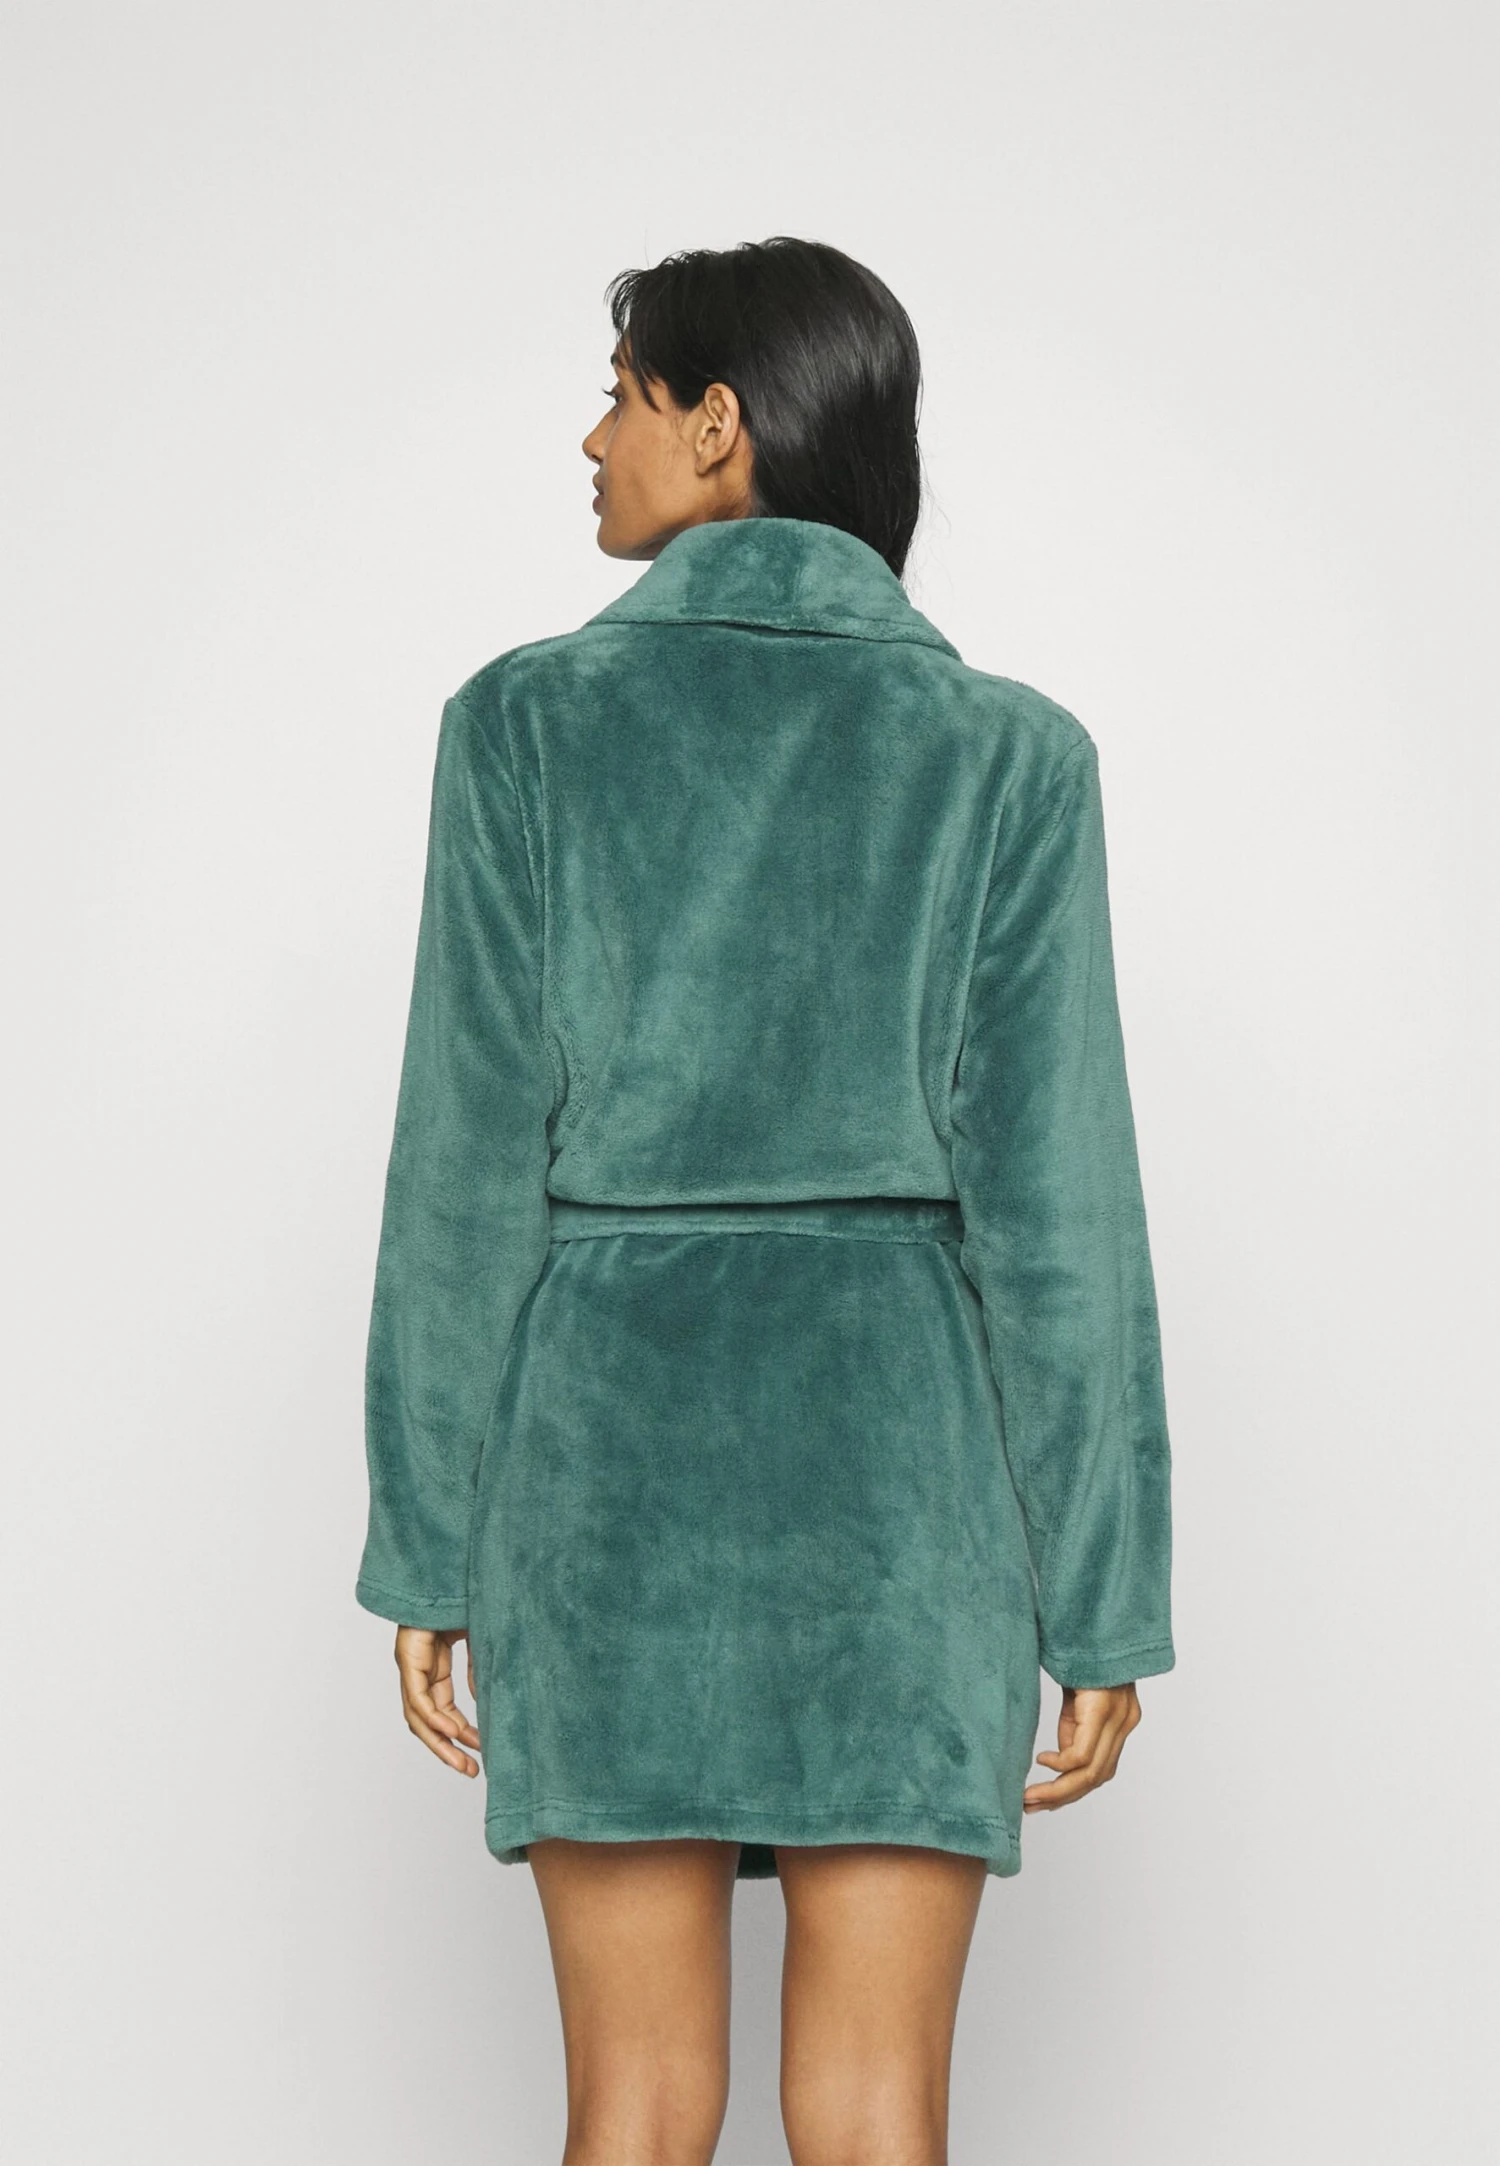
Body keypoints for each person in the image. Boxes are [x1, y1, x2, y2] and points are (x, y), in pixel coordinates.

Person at [355, 235, 1175, 2166]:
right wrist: (1104, 1597)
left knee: (632, 2110)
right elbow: (1063, 1217)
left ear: (719, 424)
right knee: (878, 2113)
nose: (593, 437)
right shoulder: (1010, 758)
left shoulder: (523, 727)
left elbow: (462, 1166)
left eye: (622, 394)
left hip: (605, 1490)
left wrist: (428, 1547)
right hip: (905, 1498)